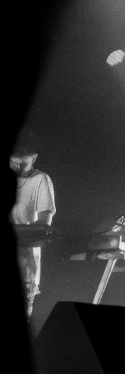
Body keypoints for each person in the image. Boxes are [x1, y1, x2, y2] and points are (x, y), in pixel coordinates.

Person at [10, 135, 56, 318]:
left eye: (24, 164)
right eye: (14, 163)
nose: (18, 169)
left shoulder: (41, 180)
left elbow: (44, 225)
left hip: (23, 264)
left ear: (34, 158)